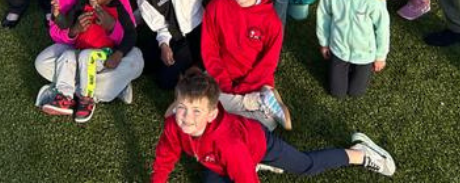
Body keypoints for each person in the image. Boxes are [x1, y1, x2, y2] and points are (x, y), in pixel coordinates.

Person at [150, 68, 396, 182]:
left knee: (306, 166)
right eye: (181, 108)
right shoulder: (174, 125)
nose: (186, 117)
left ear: (212, 114)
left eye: (196, 111)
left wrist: (245, 165)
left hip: (256, 143)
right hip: (218, 161)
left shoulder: (229, 145)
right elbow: (165, 155)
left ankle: (360, 153)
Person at [36, 0, 144, 110]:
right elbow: (56, 30)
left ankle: (68, 89)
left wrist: (111, 28)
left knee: (136, 59)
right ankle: (109, 90)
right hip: (76, 50)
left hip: (106, 53)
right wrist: (73, 30)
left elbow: (129, 32)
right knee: (42, 62)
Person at [201, 0, 291, 131]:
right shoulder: (216, 7)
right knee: (201, 104)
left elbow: (268, 63)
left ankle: (228, 109)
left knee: (267, 125)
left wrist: (245, 87)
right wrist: (224, 82)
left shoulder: (271, 21)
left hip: (255, 81)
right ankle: (258, 103)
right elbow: (209, 49)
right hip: (221, 75)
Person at [43, 0, 138, 123]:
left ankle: (86, 98)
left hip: (104, 53)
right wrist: (57, 15)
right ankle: (64, 96)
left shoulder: (117, 7)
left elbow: (131, 34)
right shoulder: (83, 1)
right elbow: (66, 24)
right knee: (66, 55)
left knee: (89, 56)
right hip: (80, 51)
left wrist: (118, 54)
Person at [317, 0, 390, 99]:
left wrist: (380, 56)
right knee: (337, 93)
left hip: (364, 54)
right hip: (339, 49)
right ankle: (338, 69)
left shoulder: (373, 1)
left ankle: (355, 70)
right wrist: (324, 43)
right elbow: (323, 16)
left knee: (356, 93)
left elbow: (382, 29)